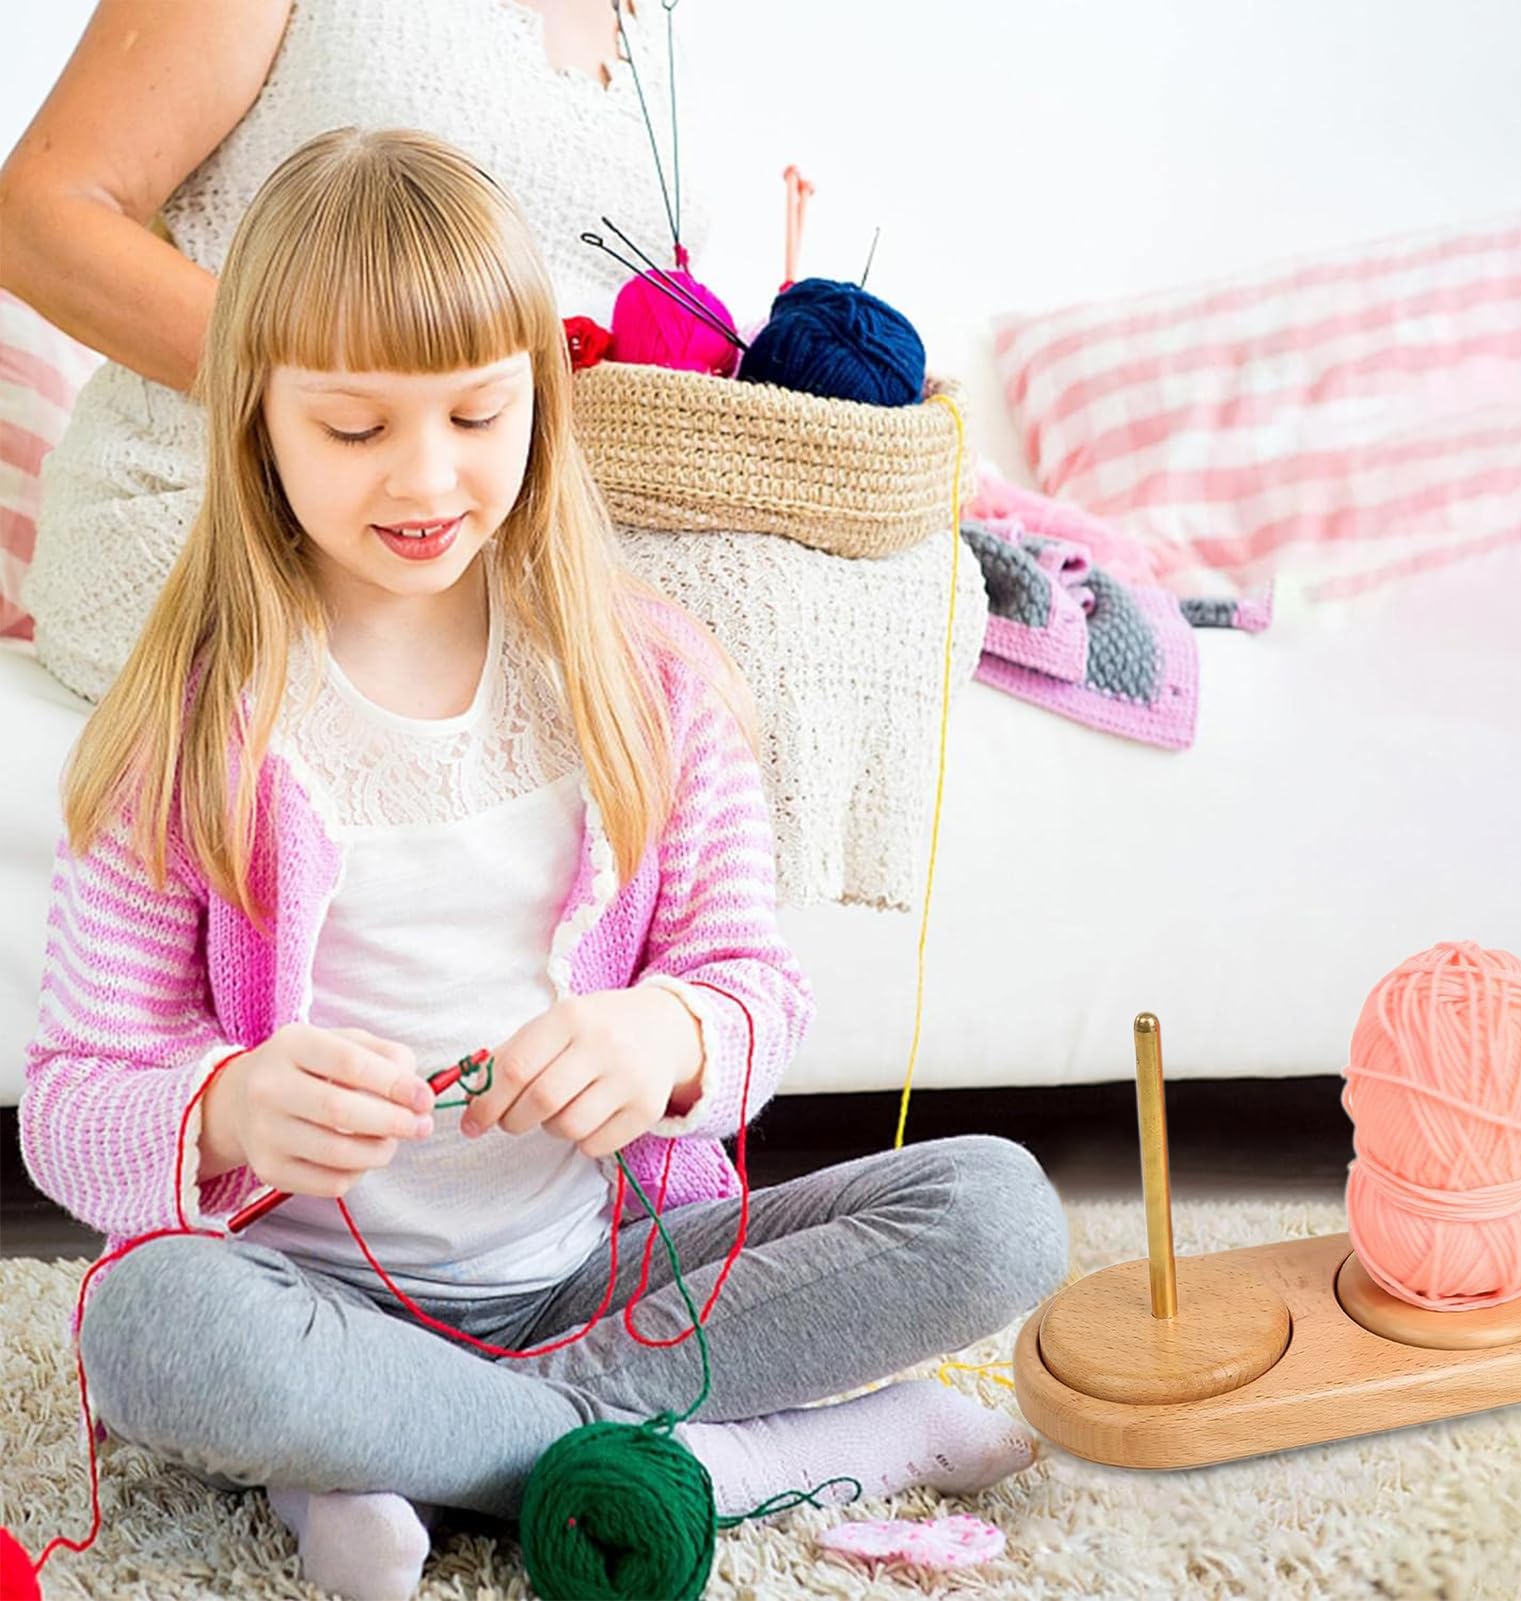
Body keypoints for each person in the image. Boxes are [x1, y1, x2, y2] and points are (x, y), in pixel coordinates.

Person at [18, 128, 1067, 1601]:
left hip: (606, 1273)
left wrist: (677, 1035)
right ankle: (715, 1457)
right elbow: (67, 1100)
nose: (426, 475)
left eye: (474, 414)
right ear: (254, 422)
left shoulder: (644, 681)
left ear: (539, 403)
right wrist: (227, 1105)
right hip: (310, 1291)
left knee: (999, 1209)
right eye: (355, 428)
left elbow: (753, 985)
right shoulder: (186, 728)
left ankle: (403, 1464)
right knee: (153, 1324)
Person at [0, 0, 988, 912]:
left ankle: (688, 1014)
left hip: (494, 499)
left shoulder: (641, 21)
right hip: (236, 493)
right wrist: (333, 392)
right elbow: (39, 214)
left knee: (915, 581)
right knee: (742, 613)